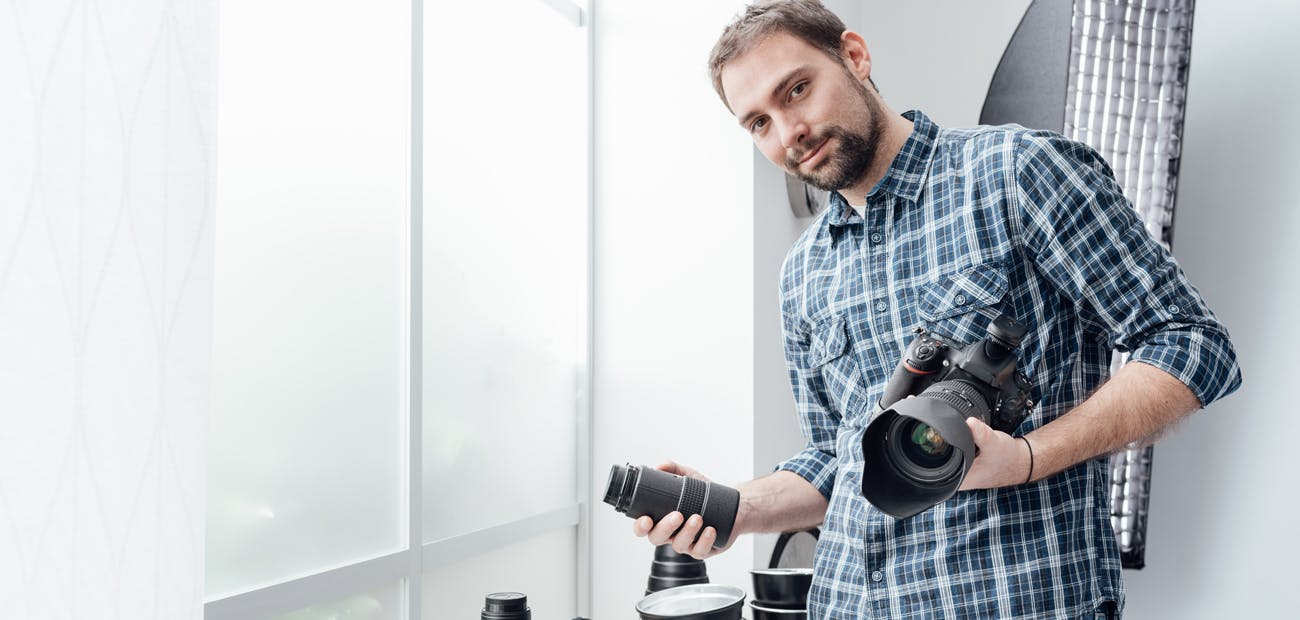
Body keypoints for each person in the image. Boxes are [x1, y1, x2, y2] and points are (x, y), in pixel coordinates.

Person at [630, 1, 1242, 618]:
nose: (789, 133)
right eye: (758, 122)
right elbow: (840, 459)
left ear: (855, 56)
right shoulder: (804, 271)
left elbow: (1192, 345)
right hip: (847, 603)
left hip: (1015, 601)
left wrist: (1027, 460)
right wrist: (733, 507)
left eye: (796, 90)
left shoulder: (1016, 172)